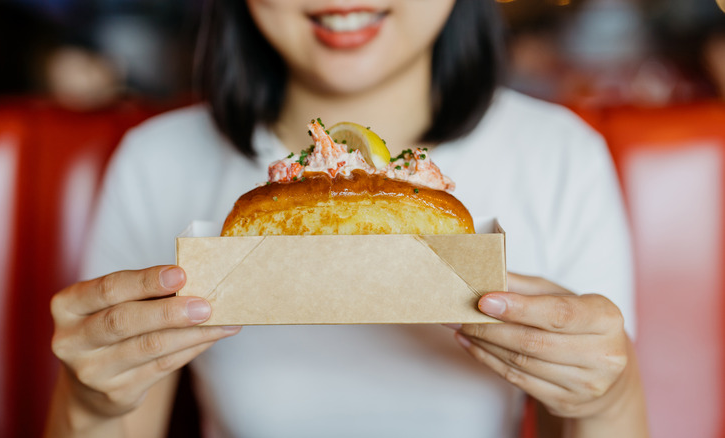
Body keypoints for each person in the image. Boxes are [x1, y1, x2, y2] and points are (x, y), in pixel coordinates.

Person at [45, 1, 649, 437]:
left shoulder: (560, 155)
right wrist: (92, 401)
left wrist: (605, 398)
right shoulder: (158, 160)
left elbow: (586, 412)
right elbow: (119, 415)